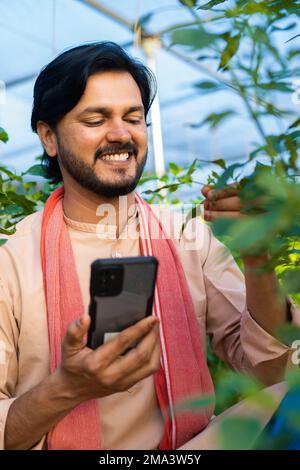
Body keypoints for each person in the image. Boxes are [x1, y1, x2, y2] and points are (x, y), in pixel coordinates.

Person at [0, 42, 299, 451]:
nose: (121, 134)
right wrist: (67, 389)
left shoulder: (188, 239)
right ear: (49, 137)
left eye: (133, 117)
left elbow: (272, 371)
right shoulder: (11, 261)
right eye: (96, 118)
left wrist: (257, 254)